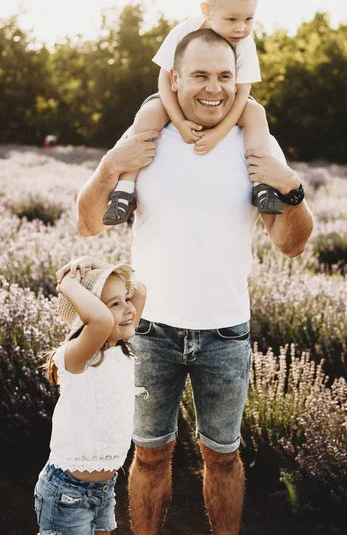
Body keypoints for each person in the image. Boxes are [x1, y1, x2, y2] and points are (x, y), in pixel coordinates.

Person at [77, 29, 313, 535]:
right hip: (147, 332)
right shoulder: (148, 135)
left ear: (239, 80)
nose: (214, 88)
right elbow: (89, 223)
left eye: (225, 76)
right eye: (201, 75)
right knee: (149, 456)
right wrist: (107, 169)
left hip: (226, 334)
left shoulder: (257, 145)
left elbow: (291, 244)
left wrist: (292, 188)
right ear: (175, 78)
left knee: (223, 458)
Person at [102, 0, 283, 227]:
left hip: (229, 101)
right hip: (177, 95)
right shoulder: (185, 31)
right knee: (149, 114)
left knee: (256, 113)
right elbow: (165, 78)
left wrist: (217, 134)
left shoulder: (244, 44)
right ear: (207, 10)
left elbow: (242, 92)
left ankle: (262, 184)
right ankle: (125, 188)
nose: (241, 28)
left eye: (249, 19)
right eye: (232, 19)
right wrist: (179, 122)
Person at [34, 255, 146, 535]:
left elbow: (140, 290)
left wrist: (96, 264)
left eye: (125, 299)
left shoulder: (119, 347)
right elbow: (100, 320)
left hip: (104, 489)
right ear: (88, 314)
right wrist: (68, 284)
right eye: (114, 304)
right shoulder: (78, 357)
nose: (128, 309)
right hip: (66, 493)